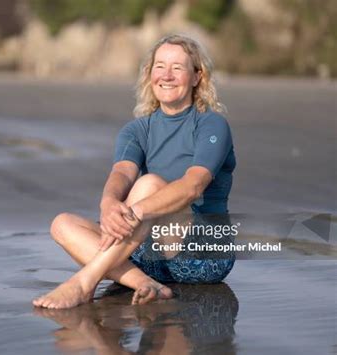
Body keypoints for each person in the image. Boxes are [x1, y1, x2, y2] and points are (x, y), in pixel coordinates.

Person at [33, 33, 236, 309]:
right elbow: (122, 173)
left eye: (177, 68)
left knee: (148, 184)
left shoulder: (211, 124)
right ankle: (143, 282)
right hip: (148, 254)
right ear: (149, 74)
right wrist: (108, 204)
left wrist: (136, 211)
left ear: (197, 77)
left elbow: (193, 186)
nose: (167, 75)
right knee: (62, 224)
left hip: (203, 257)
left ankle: (84, 283)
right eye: (159, 66)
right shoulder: (137, 130)